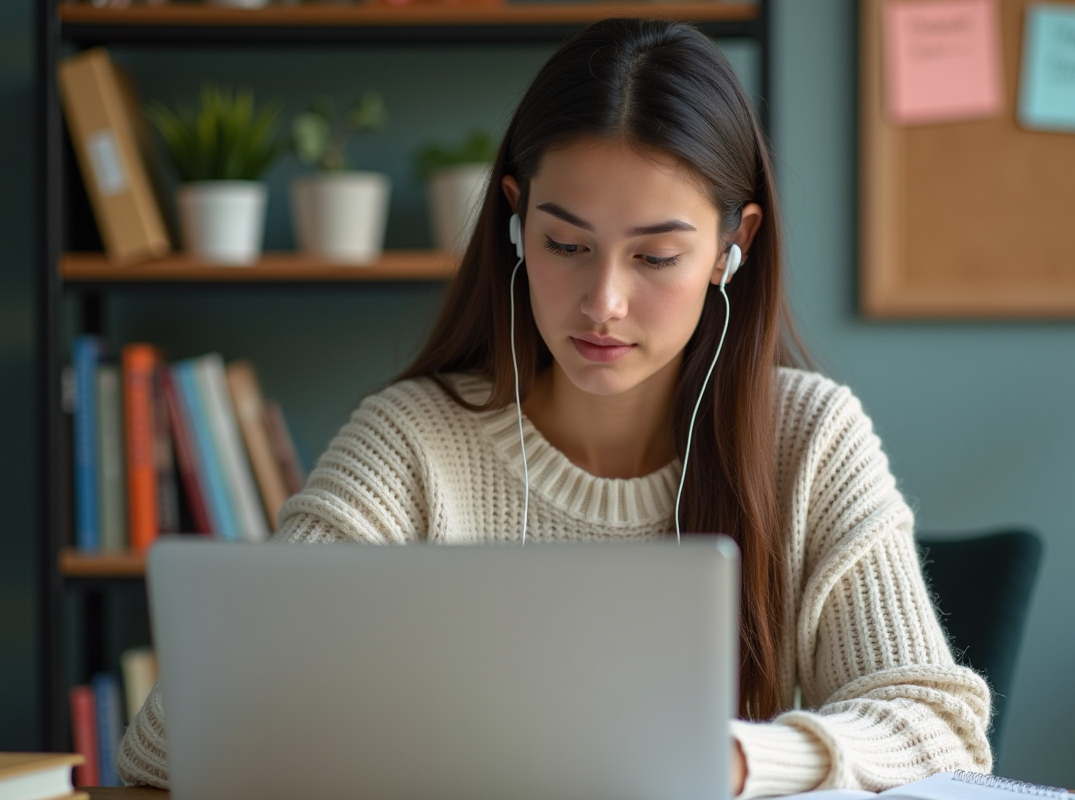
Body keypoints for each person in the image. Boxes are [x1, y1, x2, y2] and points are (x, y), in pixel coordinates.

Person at [118, 17, 992, 798]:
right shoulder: (412, 442)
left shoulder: (809, 437)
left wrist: (734, 759)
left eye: (656, 258)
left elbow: (940, 731)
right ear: (513, 221)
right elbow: (163, 743)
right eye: (566, 244)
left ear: (735, 247)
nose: (602, 301)